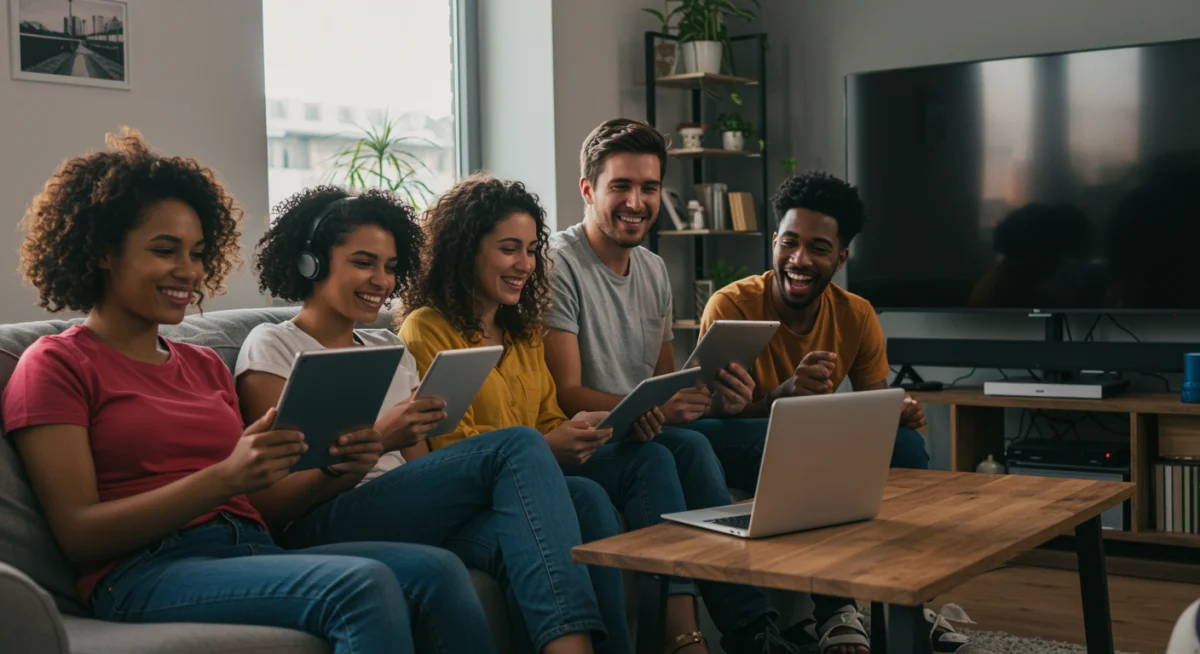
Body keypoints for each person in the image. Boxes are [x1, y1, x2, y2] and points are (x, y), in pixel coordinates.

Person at [2, 129, 495, 654]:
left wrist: (336, 468)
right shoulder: (56, 364)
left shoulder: (204, 364)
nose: (189, 271)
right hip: (144, 571)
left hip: (249, 547)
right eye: (165, 250)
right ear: (101, 251)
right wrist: (223, 478)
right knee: (361, 586)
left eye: (197, 253)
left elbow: (260, 503)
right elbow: (80, 533)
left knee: (438, 570)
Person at [400, 172, 798, 654]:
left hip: (542, 466)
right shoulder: (427, 330)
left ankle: (684, 635)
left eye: (529, 250)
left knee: (647, 462)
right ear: (466, 251)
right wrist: (552, 444)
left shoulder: (522, 331)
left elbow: (548, 414)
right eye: (509, 249)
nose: (524, 264)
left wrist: (580, 430)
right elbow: (447, 451)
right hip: (487, 488)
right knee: (594, 491)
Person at [235, 186, 627, 654]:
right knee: (517, 444)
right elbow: (272, 505)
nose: (380, 279)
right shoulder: (274, 346)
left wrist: (415, 438)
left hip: (398, 509)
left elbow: (418, 471)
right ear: (312, 262)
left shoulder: (390, 348)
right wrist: (378, 441)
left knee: (583, 496)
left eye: (390, 266)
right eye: (364, 262)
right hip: (322, 519)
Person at [700, 171, 995, 654]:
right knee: (811, 449)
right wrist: (783, 395)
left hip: (807, 442)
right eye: (790, 243)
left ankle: (905, 603)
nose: (799, 259)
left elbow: (871, 410)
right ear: (774, 242)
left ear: (840, 258)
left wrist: (896, 414)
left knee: (905, 446)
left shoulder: (856, 314)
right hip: (736, 436)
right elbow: (712, 416)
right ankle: (836, 609)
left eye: (817, 248)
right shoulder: (731, 305)